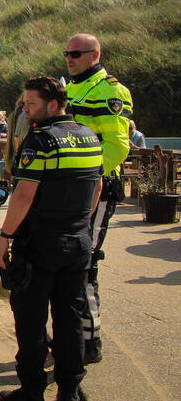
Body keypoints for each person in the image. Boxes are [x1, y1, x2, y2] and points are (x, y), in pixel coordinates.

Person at [0, 76, 102, 401]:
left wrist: (5, 236)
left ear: (52, 105)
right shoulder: (89, 136)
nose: (25, 110)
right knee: (70, 320)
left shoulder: (40, 140)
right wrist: (82, 223)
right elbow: (97, 185)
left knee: (30, 320)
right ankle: (69, 395)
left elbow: (24, 195)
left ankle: (32, 394)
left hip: (39, 244)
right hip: (77, 241)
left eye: (31, 104)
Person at [63, 33, 132, 365]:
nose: (70, 58)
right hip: (66, 186)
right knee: (66, 263)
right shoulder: (70, 89)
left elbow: (117, 146)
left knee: (85, 263)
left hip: (95, 186)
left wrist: (87, 177)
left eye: (76, 53)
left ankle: (90, 340)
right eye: (66, 53)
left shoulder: (110, 91)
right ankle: (70, 333)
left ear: (95, 54)